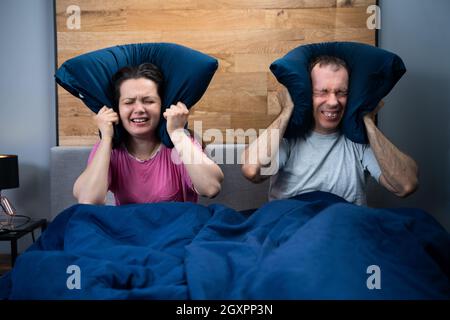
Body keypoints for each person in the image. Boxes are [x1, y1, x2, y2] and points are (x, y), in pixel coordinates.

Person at [241, 55, 418, 205]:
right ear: (306, 94)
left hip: (343, 232)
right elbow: (252, 170)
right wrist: (287, 110)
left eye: (341, 92)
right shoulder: (288, 139)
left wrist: (367, 118)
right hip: (294, 230)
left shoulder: (359, 142)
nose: (333, 102)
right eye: (322, 92)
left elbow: (406, 185)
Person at [73, 63, 224, 205]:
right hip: (129, 230)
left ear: (162, 105)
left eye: (149, 101)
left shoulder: (180, 144)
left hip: (177, 229)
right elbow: (88, 200)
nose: (139, 109)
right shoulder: (108, 149)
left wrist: (177, 133)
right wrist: (106, 138)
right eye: (128, 102)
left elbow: (211, 188)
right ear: (117, 108)